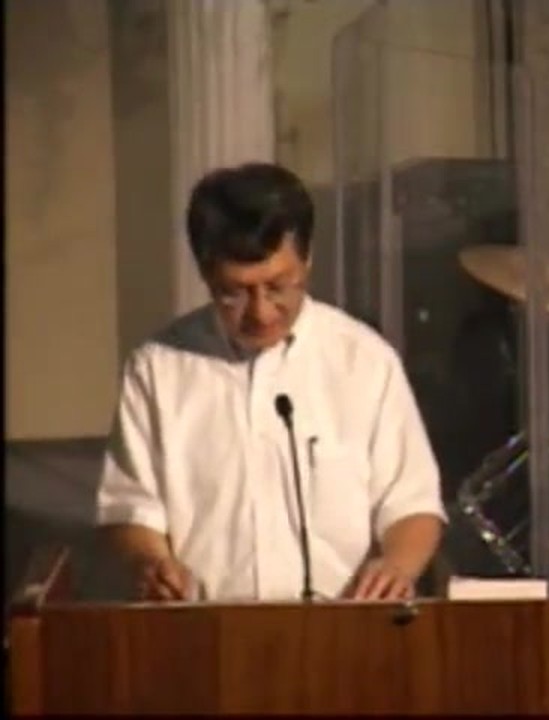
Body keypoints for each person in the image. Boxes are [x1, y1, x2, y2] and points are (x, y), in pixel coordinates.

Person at [96, 162, 446, 603]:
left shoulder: (365, 361)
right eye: (234, 293)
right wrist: (151, 563)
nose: (261, 313)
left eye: (278, 286)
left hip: (343, 621)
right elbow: (129, 507)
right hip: (206, 625)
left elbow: (412, 503)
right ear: (205, 273)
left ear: (308, 259)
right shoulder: (158, 369)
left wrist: (396, 565)